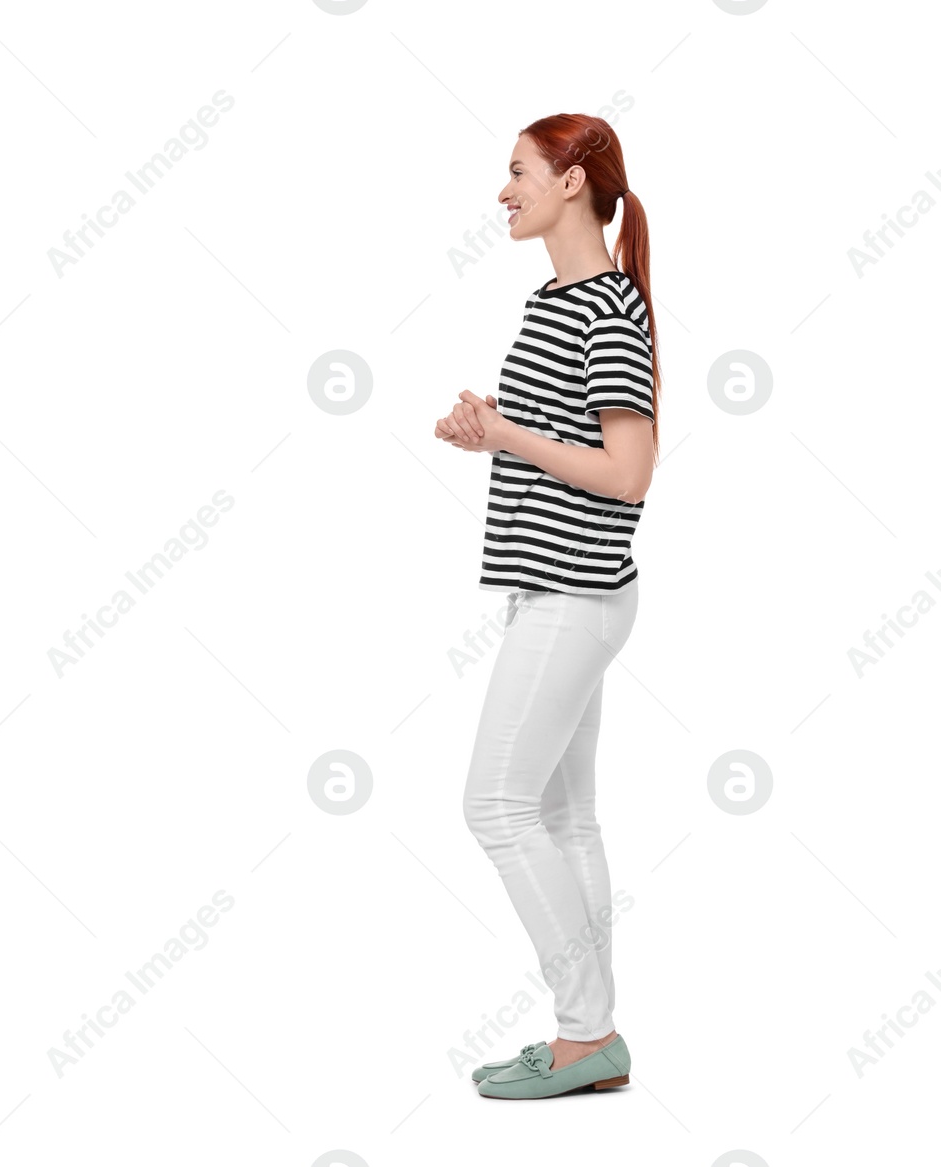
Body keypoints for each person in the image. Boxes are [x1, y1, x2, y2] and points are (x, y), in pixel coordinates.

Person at [433, 113, 660, 1100]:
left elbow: (629, 472)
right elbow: (562, 437)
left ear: (571, 182)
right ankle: (590, 1040)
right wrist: (492, 431)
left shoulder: (602, 307)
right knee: (565, 822)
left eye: (517, 171)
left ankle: (584, 1036)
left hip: (575, 594)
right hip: (559, 591)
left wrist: (512, 440)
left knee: (494, 804)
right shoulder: (558, 301)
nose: (502, 190)